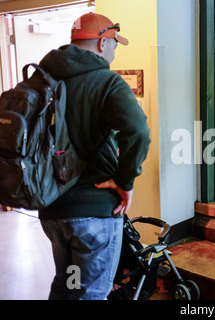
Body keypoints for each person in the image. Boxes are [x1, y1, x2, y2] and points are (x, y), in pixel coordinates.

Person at [38, 13, 151, 300]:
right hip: (93, 216)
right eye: (114, 43)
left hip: (54, 212)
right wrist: (125, 182)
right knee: (90, 294)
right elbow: (138, 132)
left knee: (69, 284)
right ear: (102, 42)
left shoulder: (43, 77)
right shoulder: (107, 81)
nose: (114, 50)